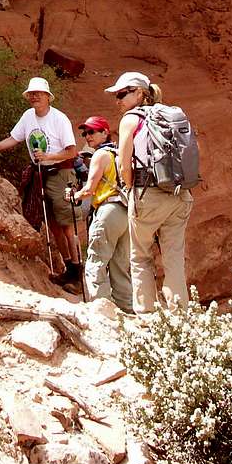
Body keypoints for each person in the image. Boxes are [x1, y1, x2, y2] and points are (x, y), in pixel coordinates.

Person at [0, 75, 82, 285]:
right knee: (53, 225)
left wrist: (48, 157)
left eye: (38, 93)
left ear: (48, 97)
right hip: (41, 173)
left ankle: (76, 268)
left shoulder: (59, 118)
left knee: (65, 224)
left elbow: (72, 152)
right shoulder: (28, 117)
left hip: (61, 173)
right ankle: (67, 267)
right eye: (31, 94)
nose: (34, 96)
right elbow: (14, 139)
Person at [109, 71, 193, 312]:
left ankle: (146, 315)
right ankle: (180, 315)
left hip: (148, 194)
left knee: (140, 256)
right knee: (174, 257)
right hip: (180, 195)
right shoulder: (171, 115)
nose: (118, 100)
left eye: (122, 94)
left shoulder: (130, 119)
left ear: (140, 93)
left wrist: (128, 187)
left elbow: (124, 164)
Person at [69, 115, 133, 313]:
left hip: (108, 211)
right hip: (126, 211)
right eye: (85, 133)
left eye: (92, 131)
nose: (88, 136)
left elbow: (89, 189)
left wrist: (73, 197)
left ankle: (101, 308)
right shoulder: (120, 153)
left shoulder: (100, 155)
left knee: (96, 260)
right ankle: (127, 307)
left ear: (105, 132)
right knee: (120, 264)